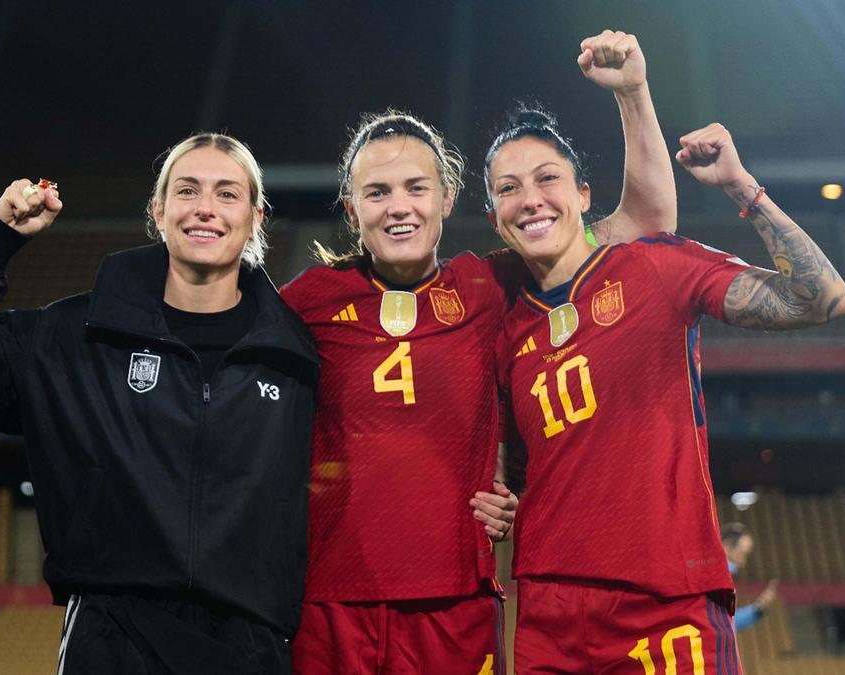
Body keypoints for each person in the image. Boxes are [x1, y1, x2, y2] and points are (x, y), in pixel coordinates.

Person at [280, 29, 677, 675]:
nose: (399, 207)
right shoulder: (307, 300)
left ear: (447, 196)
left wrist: (633, 93)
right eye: (377, 194)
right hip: (329, 602)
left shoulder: (488, 286)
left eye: (416, 187)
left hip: (457, 602)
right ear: (352, 210)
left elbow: (646, 224)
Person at [0, 134, 318, 674]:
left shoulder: (295, 355)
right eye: (187, 190)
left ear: (256, 217)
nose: (205, 208)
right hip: (112, 644)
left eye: (227, 193)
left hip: (250, 649)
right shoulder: (76, 339)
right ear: (159, 211)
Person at [487, 117, 845, 674]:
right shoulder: (505, 321)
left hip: (666, 600)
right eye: (508, 188)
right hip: (549, 612)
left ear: (584, 195)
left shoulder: (653, 266)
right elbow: (517, 467)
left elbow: (821, 299)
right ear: (495, 216)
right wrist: (496, 491)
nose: (530, 199)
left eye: (547, 179)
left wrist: (742, 188)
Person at [721, 522, 779, 630]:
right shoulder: (712, 580)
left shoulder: (725, 581)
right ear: (727, 547)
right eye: (742, 554)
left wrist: (757, 608)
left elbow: (727, 622)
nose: (743, 562)